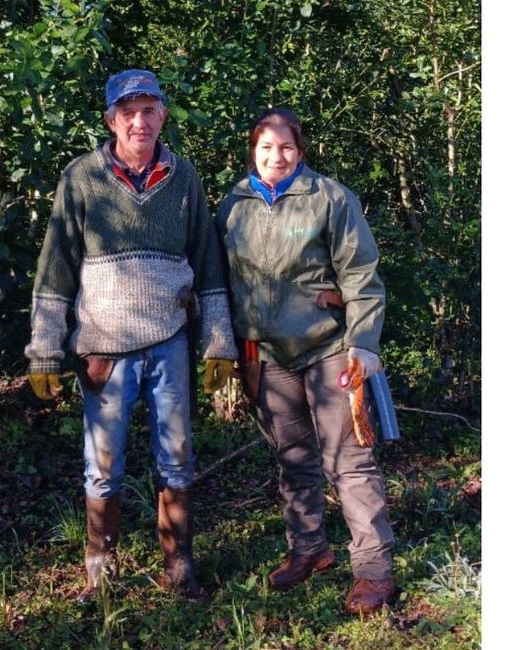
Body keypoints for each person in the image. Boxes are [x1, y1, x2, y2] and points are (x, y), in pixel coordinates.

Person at [25, 69, 237, 603]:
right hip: (103, 348)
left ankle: (180, 565)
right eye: (128, 112)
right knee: (102, 467)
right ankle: (101, 570)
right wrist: (45, 351)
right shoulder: (81, 179)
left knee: (178, 459)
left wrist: (219, 343)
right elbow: (55, 269)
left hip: (170, 341)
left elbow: (208, 265)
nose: (139, 122)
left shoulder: (184, 178)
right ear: (111, 120)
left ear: (163, 116)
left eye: (149, 111)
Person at [215, 107, 397, 615]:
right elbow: (219, 280)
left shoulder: (330, 198)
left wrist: (363, 344)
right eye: (266, 148)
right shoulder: (234, 204)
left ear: (301, 151)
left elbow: (362, 275)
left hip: (327, 349)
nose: (276, 157)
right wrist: (224, 347)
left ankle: (375, 571)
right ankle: (308, 549)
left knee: (349, 461)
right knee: (292, 458)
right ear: (253, 151)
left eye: (286, 148)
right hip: (267, 356)